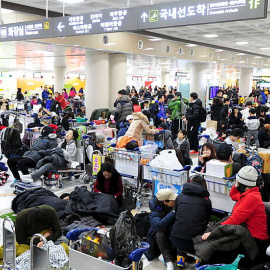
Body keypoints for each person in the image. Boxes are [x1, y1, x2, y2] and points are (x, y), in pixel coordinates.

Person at [201, 166, 269, 265]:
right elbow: (233, 195)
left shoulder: (252, 198)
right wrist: (237, 185)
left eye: (237, 182)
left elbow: (234, 219)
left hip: (254, 239)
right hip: (244, 232)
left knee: (219, 250)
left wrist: (214, 232)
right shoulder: (247, 194)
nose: (235, 183)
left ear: (243, 184)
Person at [170, 176, 212, 268]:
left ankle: (180, 258)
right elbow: (207, 219)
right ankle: (199, 259)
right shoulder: (206, 200)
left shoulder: (180, 196)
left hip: (176, 239)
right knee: (206, 231)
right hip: (195, 242)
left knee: (182, 227)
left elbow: (176, 214)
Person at [146, 189, 177, 270]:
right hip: (158, 239)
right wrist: (173, 213)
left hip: (170, 236)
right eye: (172, 200)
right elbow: (159, 226)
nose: (174, 201)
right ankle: (168, 261)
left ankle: (164, 256)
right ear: (165, 202)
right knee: (160, 234)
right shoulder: (154, 212)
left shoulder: (169, 206)